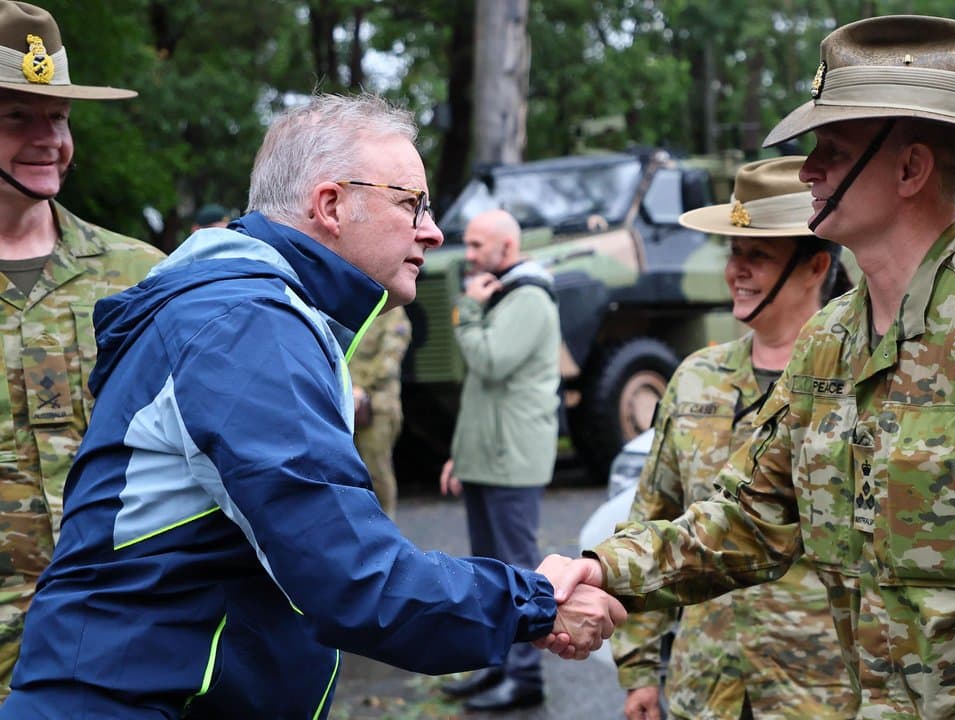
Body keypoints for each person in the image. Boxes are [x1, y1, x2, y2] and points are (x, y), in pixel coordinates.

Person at [540, 15, 955, 720]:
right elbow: (751, 519)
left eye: (832, 146)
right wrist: (604, 569)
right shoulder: (830, 341)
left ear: (910, 168)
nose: (809, 168)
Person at [1, 92, 624, 720]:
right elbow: (352, 577)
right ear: (330, 205)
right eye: (411, 204)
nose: (433, 231)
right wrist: (535, 601)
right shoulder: (244, 324)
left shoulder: (244, 308)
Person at [612, 156, 856, 720]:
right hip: (708, 685)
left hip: (820, 690)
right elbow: (653, 518)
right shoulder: (697, 376)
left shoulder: (853, 379)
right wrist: (641, 670)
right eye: (734, 254)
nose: (737, 271)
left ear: (814, 266)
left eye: (758, 256)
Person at [0, 0, 165, 699]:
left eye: (59, 118)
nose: (48, 139)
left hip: (118, 651)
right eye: (17, 117)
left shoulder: (143, 277)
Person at [438, 208, 561, 711]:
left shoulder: (528, 297)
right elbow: (482, 393)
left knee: (516, 568)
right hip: (486, 455)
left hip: (512, 458)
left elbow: (488, 361)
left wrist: (466, 311)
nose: (467, 256)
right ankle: (495, 669)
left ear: (506, 249)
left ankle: (527, 677)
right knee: (488, 573)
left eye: (475, 246)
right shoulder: (504, 291)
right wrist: (458, 457)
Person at [349, 304, 410, 517]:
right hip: (346, 404)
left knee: (376, 471)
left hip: (376, 408)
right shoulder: (349, 306)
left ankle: (386, 525)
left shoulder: (392, 314)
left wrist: (358, 388)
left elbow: (388, 361)